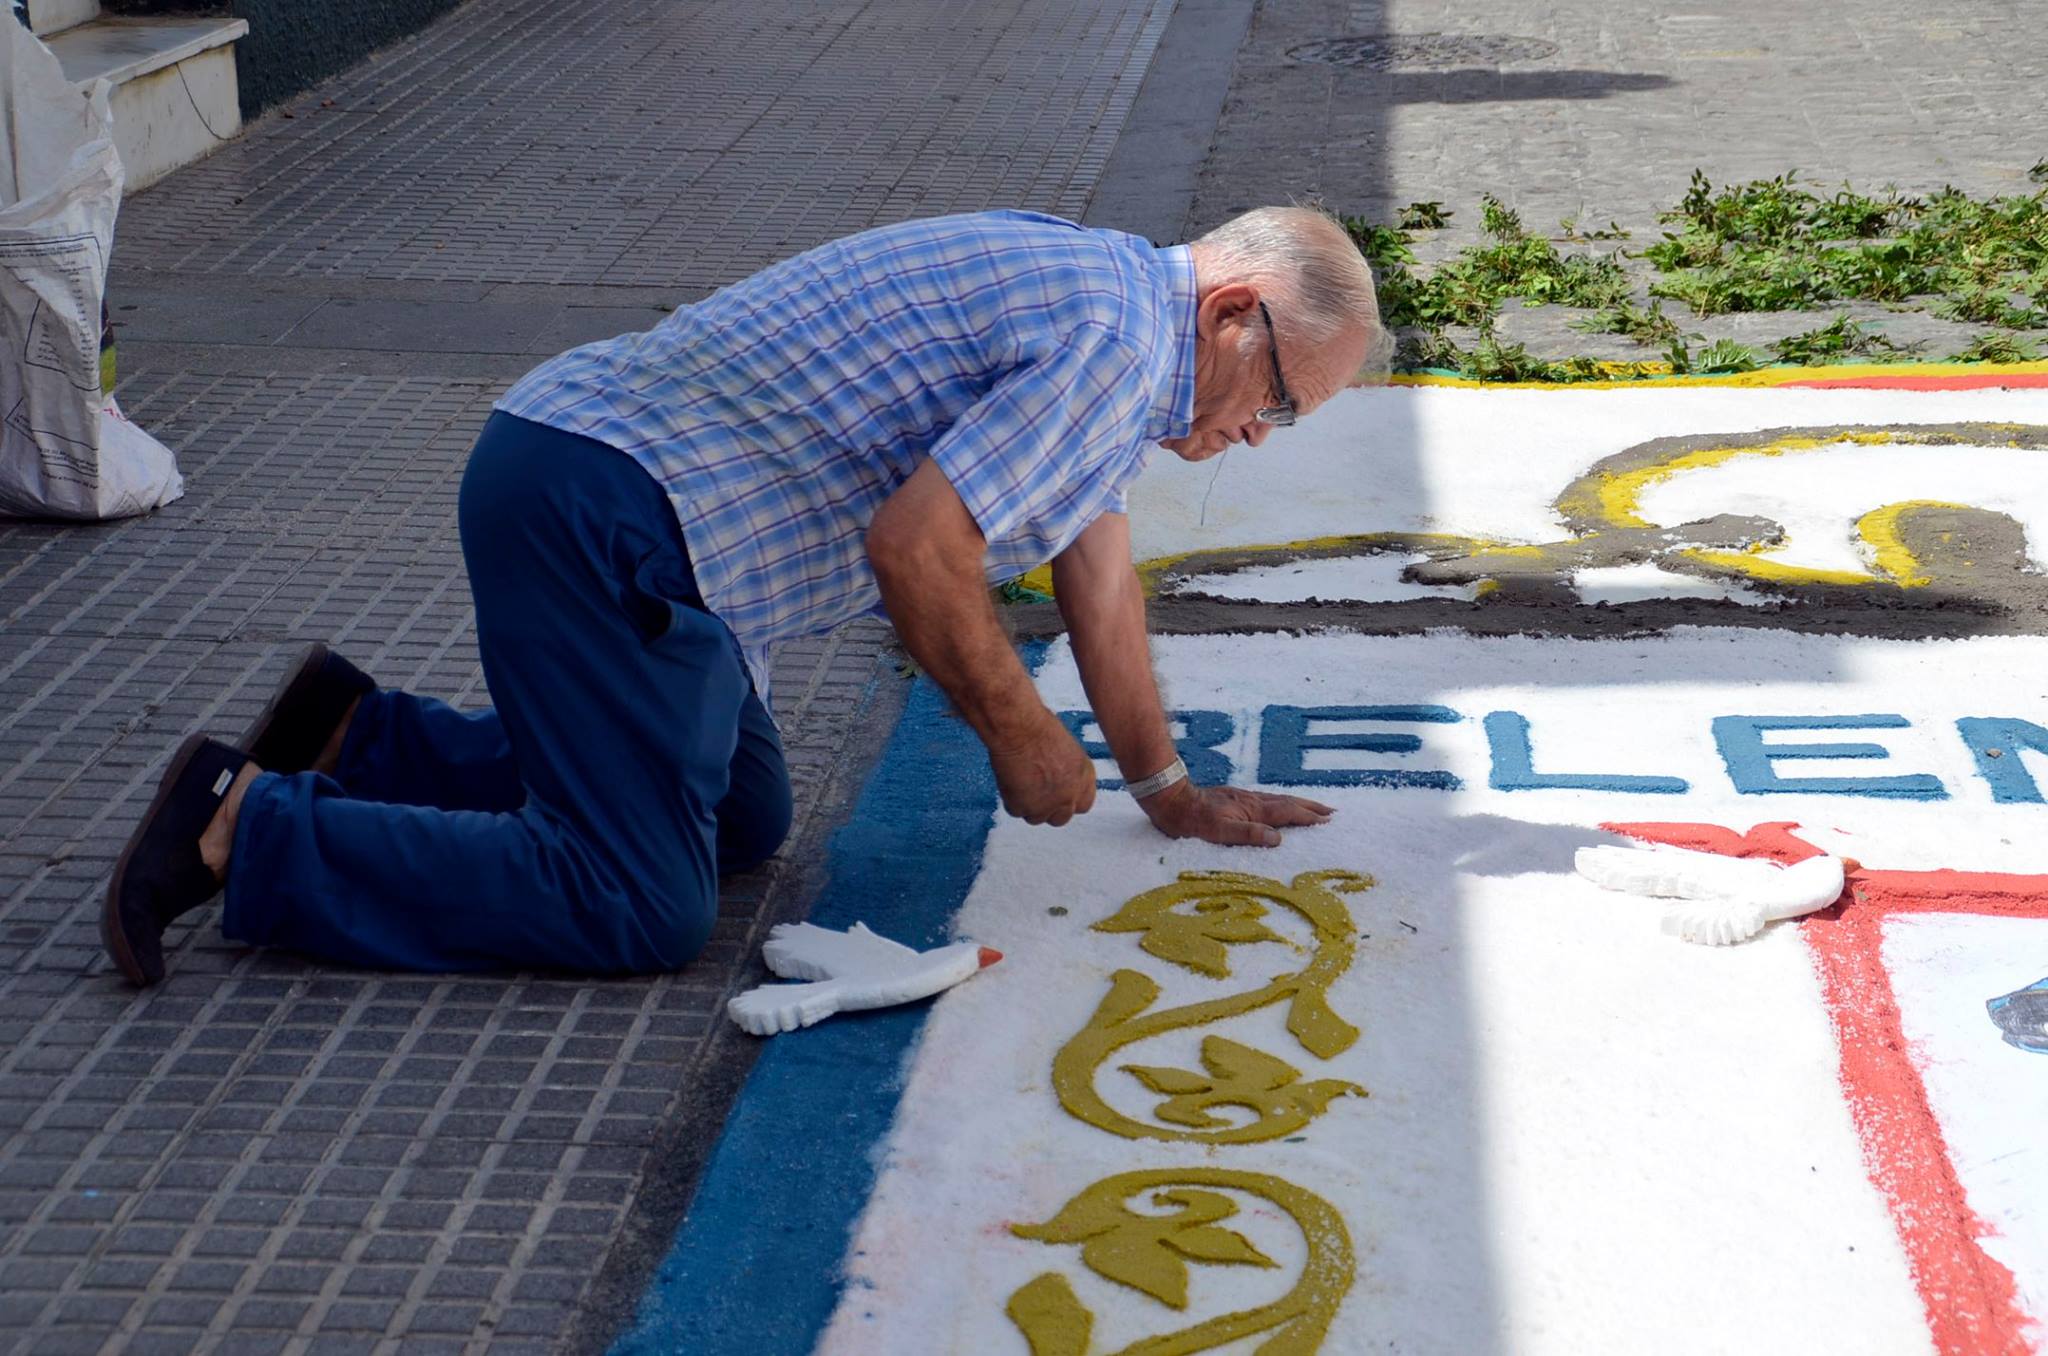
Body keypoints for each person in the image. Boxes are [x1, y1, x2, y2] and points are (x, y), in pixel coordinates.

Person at [102, 206, 1393, 986]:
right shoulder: (1118, 349)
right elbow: (919, 553)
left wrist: (1164, 790)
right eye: (1280, 400)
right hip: (600, 511)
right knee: (632, 903)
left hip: (631, 511)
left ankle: (358, 737)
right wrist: (1024, 736)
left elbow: (1095, 575)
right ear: (1234, 310)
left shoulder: (1129, 320)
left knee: (740, 817)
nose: (1264, 434)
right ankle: (250, 827)